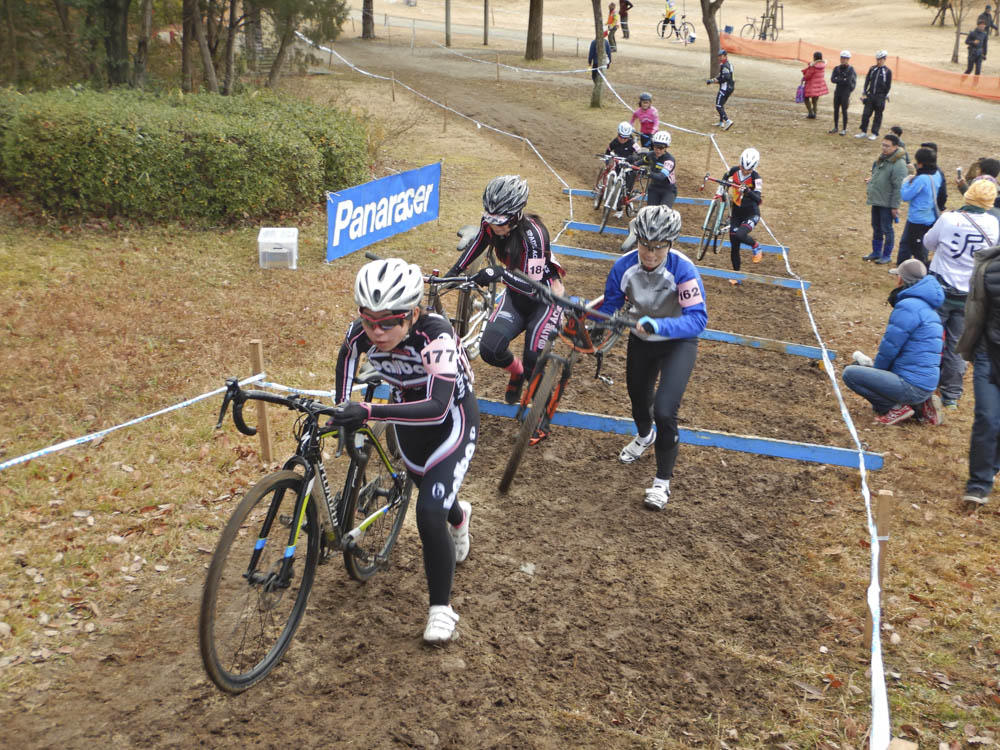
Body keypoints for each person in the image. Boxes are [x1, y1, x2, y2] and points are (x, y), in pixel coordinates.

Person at [332, 258, 479, 644]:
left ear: (412, 315)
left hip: (452, 421)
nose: (376, 333)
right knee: (434, 494)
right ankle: (459, 516)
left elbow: (436, 408)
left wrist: (367, 410)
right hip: (408, 421)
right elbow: (347, 360)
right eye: (368, 321)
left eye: (388, 323)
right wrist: (340, 406)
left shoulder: (437, 336)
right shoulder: (360, 334)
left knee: (428, 512)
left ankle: (441, 610)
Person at [594, 205, 707, 510]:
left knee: (665, 410)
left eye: (658, 248)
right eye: (645, 245)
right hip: (642, 338)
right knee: (638, 399)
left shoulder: (683, 270)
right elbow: (611, 307)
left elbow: (698, 319)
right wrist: (591, 320)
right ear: (637, 239)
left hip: (677, 341)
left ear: (670, 244)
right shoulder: (623, 267)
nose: (651, 254)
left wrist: (661, 324)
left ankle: (662, 483)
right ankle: (645, 437)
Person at [445, 175, 566, 436]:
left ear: (516, 215)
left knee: (535, 359)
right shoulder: (490, 224)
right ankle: (517, 372)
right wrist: (451, 275)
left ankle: (542, 416)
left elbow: (533, 287)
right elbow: (476, 245)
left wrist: (499, 274)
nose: (493, 224)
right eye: (489, 217)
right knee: (489, 349)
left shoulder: (534, 235)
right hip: (515, 298)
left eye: (499, 220)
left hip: (542, 301)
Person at [925, 178, 1000, 409]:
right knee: (958, 345)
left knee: (929, 339)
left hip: (940, 288)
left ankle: (925, 386)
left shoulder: (949, 218)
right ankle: (952, 396)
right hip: (970, 295)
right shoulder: (994, 224)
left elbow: (928, 243)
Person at [842, 259, 944, 425]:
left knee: (851, 373)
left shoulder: (907, 306)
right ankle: (921, 406)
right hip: (925, 383)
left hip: (911, 384)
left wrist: (876, 373)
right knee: (862, 368)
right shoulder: (929, 309)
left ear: (901, 279)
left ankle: (894, 408)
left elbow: (890, 348)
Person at [955, 237, 1000, 505]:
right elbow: (978, 310)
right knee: (987, 417)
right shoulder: (990, 267)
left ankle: (991, 467)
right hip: (988, 351)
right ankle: (978, 485)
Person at [717, 147, 763, 283]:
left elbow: (759, 199)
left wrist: (748, 191)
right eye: (743, 167)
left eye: (748, 169)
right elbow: (724, 178)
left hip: (751, 213)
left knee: (740, 235)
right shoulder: (734, 170)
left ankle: (755, 246)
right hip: (736, 212)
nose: (744, 170)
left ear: (754, 168)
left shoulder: (756, 178)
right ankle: (736, 276)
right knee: (734, 245)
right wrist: (721, 191)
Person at [862, 133, 908, 264]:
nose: (883, 148)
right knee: (876, 226)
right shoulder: (883, 159)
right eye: (883, 145)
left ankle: (886, 255)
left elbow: (898, 187)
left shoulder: (899, 164)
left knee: (887, 229)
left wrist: (895, 206)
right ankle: (876, 252)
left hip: (887, 203)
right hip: (877, 200)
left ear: (895, 147)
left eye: (887, 146)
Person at [897, 147, 944, 266]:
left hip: (918, 218)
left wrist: (907, 180)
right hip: (930, 216)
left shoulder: (922, 178)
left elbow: (905, 196)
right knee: (910, 244)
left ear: (921, 163)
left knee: (917, 249)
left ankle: (919, 273)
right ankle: (903, 268)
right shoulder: (937, 173)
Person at [855, 50, 892, 141]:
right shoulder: (872, 69)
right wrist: (865, 91)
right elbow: (867, 80)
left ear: (884, 59)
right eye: (877, 59)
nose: (878, 61)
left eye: (880, 59)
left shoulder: (887, 71)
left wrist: (885, 95)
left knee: (878, 115)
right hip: (870, 95)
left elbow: (888, 84)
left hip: (880, 97)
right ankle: (863, 131)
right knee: (866, 114)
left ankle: (874, 133)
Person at [605, 121, 641, 210]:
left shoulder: (633, 143)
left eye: (626, 138)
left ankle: (626, 198)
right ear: (618, 134)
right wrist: (607, 162)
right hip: (618, 163)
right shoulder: (614, 142)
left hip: (628, 166)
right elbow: (607, 152)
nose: (623, 139)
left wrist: (632, 157)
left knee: (629, 182)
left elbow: (640, 153)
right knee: (614, 175)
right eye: (621, 136)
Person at [640, 130, 678, 207]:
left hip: (668, 190)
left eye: (661, 148)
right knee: (651, 213)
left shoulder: (669, 160)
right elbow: (642, 162)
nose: (658, 150)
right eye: (655, 146)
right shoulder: (651, 155)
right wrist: (629, 164)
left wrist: (648, 173)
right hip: (654, 188)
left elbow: (661, 176)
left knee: (663, 213)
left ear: (666, 148)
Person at [829, 50, 857, 135]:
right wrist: (842, 79)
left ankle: (844, 129)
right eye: (842, 58)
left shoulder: (851, 69)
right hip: (837, 91)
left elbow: (848, 81)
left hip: (845, 92)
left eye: (845, 58)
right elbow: (832, 79)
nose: (843, 60)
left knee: (844, 110)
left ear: (848, 59)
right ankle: (836, 127)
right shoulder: (836, 68)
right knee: (836, 109)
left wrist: (839, 79)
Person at [706, 49, 735, 130]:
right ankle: (721, 122)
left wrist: (715, 81)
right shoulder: (727, 64)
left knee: (718, 106)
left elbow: (725, 78)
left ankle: (728, 121)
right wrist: (712, 80)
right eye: (719, 56)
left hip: (725, 89)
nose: (719, 58)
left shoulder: (725, 65)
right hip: (729, 88)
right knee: (721, 105)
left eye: (721, 56)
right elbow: (722, 76)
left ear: (725, 56)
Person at [919, 141, 949, 215]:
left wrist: (940, 208)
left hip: (930, 212)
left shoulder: (938, 173)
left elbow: (942, 195)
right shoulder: (919, 170)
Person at [801, 51, 829, 120]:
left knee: (805, 98)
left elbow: (807, 76)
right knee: (815, 101)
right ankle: (815, 113)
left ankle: (811, 113)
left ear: (815, 57)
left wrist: (803, 78)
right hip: (819, 86)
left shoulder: (813, 66)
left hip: (811, 85)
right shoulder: (823, 65)